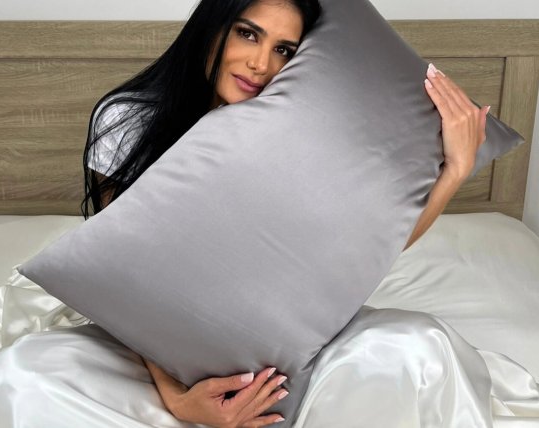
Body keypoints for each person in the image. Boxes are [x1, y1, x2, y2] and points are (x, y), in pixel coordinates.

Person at [80, 0, 489, 426]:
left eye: (284, 50)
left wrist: (455, 171)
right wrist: (176, 398)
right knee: (39, 381)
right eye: (247, 34)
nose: (261, 65)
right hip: (158, 331)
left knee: (421, 348)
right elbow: (125, 278)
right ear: (211, 28)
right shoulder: (127, 121)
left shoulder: (297, 127)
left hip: (280, 324)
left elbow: (373, 248)